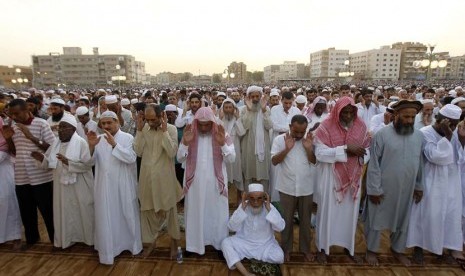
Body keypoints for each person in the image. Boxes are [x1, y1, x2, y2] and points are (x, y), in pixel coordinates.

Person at [364, 100, 424, 266]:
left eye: (412, 117)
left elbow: (420, 164)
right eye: (406, 116)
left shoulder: (419, 136)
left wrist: (419, 186)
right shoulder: (382, 135)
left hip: (407, 188)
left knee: (403, 220)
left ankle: (398, 250)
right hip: (384, 188)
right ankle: (371, 250)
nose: (410, 121)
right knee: (376, 220)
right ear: (395, 115)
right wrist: (374, 190)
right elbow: (374, 165)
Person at [314, 96, 371, 264]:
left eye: (350, 112)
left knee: (350, 215)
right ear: (337, 112)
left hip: (353, 179)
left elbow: (367, 150)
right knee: (327, 214)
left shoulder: (361, 127)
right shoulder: (325, 126)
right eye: (344, 112)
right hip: (331, 179)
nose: (347, 116)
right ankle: (322, 248)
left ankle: (349, 246)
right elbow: (319, 153)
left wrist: (360, 155)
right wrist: (345, 149)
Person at [407, 104, 465, 264]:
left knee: (449, 216)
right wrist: (448, 135)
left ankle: (442, 248)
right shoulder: (425, 133)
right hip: (431, 180)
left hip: (451, 182)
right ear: (439, 119)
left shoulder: (453, 134)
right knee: (426, 215)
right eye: (449, 123)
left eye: (455, 124)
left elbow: (459, 158)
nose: (452, 127)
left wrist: (459, 138)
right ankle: (418, 248)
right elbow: (436, 156)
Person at [177, 107, 235, 255]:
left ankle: (219, 244)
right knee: (195, 213)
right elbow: (180, 158)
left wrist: (222, 144)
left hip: (216, 184)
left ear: (213, 123)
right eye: (200, 124)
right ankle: (193, 246)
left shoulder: (223, 134)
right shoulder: (190, 134)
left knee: (217, 214)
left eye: (207, 124)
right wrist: (185, 143)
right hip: (194, 184)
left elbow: (231, 159)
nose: (203, 128)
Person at [87, 111, 142, 264]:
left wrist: (114, 145)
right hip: (104, 187)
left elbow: (131, 158)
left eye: (109, 123)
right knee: (106, 217)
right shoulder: (97, 139)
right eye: (103, 124)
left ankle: (131, 245)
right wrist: (91, 147)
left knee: (126, 214)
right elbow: (89, 162)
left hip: (123, 185)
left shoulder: (128, 138)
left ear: (117, 122)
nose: (106, 126)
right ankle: (108, 249)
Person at [31, 114, 94, 249]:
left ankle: (87, 239)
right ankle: (68, 239)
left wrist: (68, 162)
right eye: (59, 127)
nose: (60, 130)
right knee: (65, 212)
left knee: (83, 211)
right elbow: (49, 164)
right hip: (61, 187)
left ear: (72, 129)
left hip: (79, 186)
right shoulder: (55, 144)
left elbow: (88, 165)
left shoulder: (81, 143)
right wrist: (41, 159)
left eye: (64, 127)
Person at [2, 99, 56, 246]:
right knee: (26, 211)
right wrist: (8, 139)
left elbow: (52, 148)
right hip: (21, 175)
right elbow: (14, 151)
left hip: (41, 175)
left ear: (27, 111)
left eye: (16, 113)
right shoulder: (13, 125)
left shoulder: (41, 123)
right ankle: (32, 239)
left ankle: (55, 240)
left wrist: (30, 136)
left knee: (47, 211)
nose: (13, 117)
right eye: (11, 114)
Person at [134, 104, 182, 258]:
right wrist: (140, 131)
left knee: (170, 212)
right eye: (147, 120)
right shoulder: (144, 129)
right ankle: (150, 243)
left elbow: (172, 152)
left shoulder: (171, 130)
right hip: (147, 178)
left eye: (153, 119)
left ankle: (174, 243)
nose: (150, 122)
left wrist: (164, 132)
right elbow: (138, 151)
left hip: (165, 179)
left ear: (161, 116)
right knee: (147, 211)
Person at [271, 115, 316, 262]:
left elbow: (314, 162)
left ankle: (305, 249)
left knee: (305, 220)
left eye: (301, 132)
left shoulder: (309, 141)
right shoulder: (280, 140)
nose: (298, 135)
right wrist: (287, 149)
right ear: (290, 126)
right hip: (286, 187)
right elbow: (274, 161)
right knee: (286, 220)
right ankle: (286, 249)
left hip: (306, 187)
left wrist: (309, 149)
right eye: (295, 131)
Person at [221, 184, 285, 276]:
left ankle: (243, 257)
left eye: (259, 198)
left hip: (264, 245)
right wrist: (242, 208)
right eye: (252, 198)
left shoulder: (269, 207)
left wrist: (269, 210)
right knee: (225, 243)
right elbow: (231, 227)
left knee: (279, 257)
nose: (255, 202)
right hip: (244, 243)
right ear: (248, 197)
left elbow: (280, 227)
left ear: (264, 198)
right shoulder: (243, 206)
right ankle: (245, 272)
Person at [241, 86, 273, 193]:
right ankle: (248, 197)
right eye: (252, 96)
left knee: (263, 171)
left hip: (263, 146)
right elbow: (246, 126)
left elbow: (269, 126)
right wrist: (249, 110)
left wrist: (263, 111)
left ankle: (264, 197)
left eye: (257, 96)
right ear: (248, 97)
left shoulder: (266, 109)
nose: (255, 99)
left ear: (260, 97)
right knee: (248, 172)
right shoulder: (244, 109)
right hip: (248, 146)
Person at [0, 117, 22, 249]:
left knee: (9, 206)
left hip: (4, 177)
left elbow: (3, 155)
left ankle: (15, 237)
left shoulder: (5, 138)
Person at [219, 98, 246, 203]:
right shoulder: (219, 119)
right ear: (223, 109)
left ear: (234, 109)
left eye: (230, 107)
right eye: (226, 107)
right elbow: (217, 133)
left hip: (236, 152)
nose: (228, 110)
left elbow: (242, 133)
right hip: (222, 152)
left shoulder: (237, 119)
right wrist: (220, 120)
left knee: (236, 174)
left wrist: (238, 119)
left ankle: (236, 201)